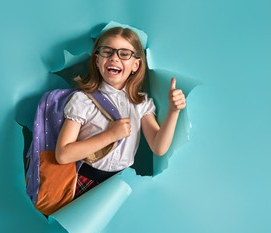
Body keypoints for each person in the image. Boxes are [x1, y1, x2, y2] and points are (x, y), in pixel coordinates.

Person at [55, 26, 186, 198]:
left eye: (124, 54)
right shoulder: (82, 100)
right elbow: (63, 155)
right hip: (83, 180)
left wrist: (173, 111)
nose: (114, 58)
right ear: (97, 60)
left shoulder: (140, 103)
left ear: (135, 65)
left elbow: (158, 147)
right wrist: (110, 135)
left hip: (121, 181)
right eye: (107, 52)